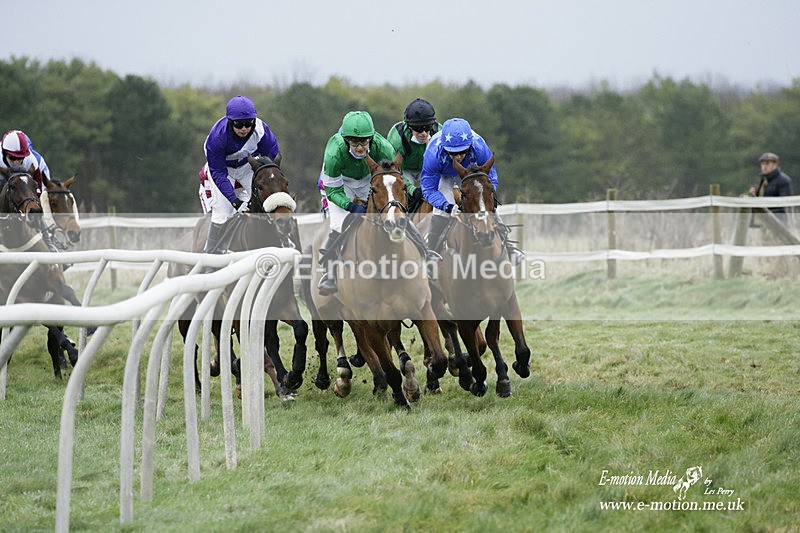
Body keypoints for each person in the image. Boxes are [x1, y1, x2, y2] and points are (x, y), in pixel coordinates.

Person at [317, 110, 437, 295]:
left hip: (370, 178)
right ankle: (329, 275)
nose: (360, 148)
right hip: (341, 183)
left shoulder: (384, 148)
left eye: (364, 142)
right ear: (346, 139)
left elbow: (393, 180)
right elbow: (333, 190)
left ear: (371, 139)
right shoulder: (334, 153)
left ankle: (426, 255)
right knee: (338, 225)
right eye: (355, 143)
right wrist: (350, 206)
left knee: (396, 217)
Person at [420, 117, 525, 265]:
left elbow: (491, 178)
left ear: (469, 146)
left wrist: (486, 197)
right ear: (444, 148)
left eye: (462, 152)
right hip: (444, 176)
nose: (458, 157)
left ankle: (508, 247)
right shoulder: (433, 154)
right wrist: (447, 206)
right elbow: (429, 189)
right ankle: (431, 251)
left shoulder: (480, 148)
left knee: (486, 206)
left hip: (472, 175)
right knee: (442, 211)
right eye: (452, 153)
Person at [201, 95, 282, 264]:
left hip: (246, 167)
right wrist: (234, 201)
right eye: (239, 124)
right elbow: (218, 173)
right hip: (223, 170)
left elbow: (273, 162)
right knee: (222, 211)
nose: (244, 128)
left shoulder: (262, 131)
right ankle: (210, 258)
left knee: (267, 198)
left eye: (248, 123)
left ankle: (282, 241)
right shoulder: (217, 137)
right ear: (230, 122)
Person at [1, 130, 60, 252]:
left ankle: (50, 244)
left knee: (35, 209)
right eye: (13, 158)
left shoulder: (32, 161)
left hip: (24, 188)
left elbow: (38, 189)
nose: (17, 162)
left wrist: (27, 205)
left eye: (20, 159)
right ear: (3, 153)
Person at [386, 98, 442, 212]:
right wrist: (412, 190)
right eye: (418, 129)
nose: (424, 134)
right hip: (405, 169)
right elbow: (395, 171)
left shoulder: (440, 133)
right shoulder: (397, 137)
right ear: (409, 126)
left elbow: (442, 167)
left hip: (428, 168)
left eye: (427, 128)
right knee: (403, 193)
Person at [749, 152, 793, 224]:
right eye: (762, 164)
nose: (764, 166)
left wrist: (768, 215)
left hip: (778, 223)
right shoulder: (763, 180)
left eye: (767, 164)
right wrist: (753, 195)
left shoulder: (783, 180)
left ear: (775, 165)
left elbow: (784, 205)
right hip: (762, 221)